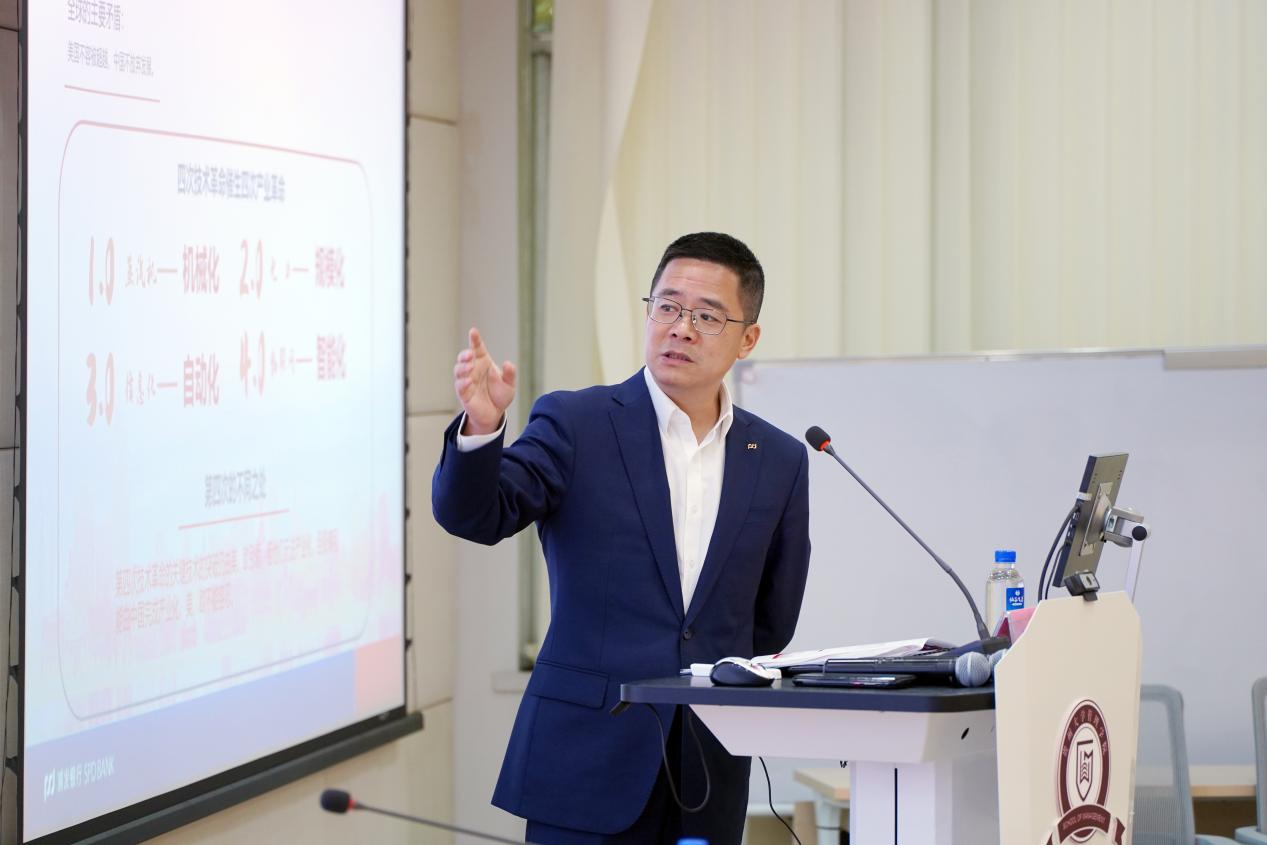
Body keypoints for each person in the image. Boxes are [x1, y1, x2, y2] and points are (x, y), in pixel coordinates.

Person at [432, 232, 810, 844]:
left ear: (748, 338)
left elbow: (771, 618)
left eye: (707, 316)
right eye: (668, 306)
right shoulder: (577, 423)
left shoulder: (778, 459)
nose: (681, 328)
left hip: (708, 769)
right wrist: (481, 427)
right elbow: (477, 516)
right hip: (585, 762)